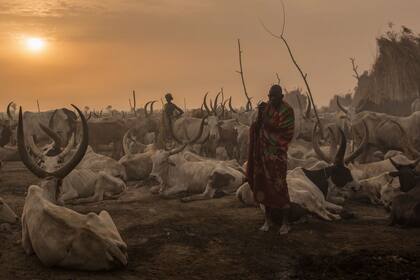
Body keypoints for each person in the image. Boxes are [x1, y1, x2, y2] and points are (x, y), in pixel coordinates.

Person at [246, 84, 295, 235]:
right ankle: (267, 220)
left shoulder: (287, 111)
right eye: (269, 97)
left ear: (281, 97)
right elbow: (259, 127)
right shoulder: (267, 109)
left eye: (274, 96)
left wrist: (266, 121)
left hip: (277, 156)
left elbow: (284, 132)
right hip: (263, 156)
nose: (271, 99)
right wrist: (260, 116)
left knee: (280, 187)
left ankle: (286, 223)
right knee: (263, 186)